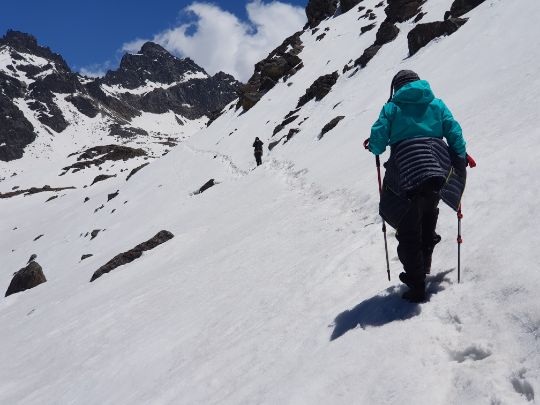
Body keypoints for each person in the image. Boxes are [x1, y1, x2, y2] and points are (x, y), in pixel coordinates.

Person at [367, 70, 469, 302]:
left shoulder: (391, 108)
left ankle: (416, 284)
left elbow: (378, 141)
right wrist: (460, 158)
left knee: (408, 229)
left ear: (396, 88)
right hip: (435, 170)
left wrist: (373, 146)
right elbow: (454, 131)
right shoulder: (436, 104)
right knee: (427, 216)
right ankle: (424, 266)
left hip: (406, 173)